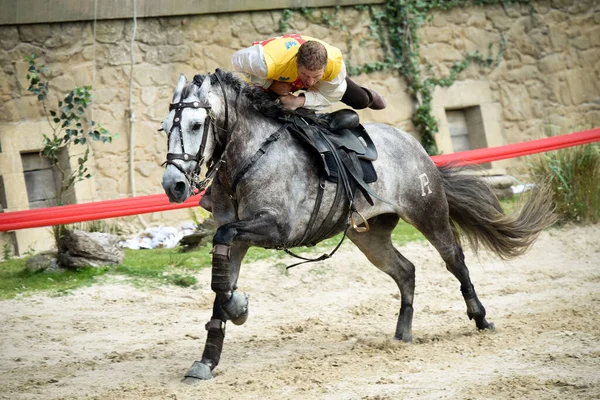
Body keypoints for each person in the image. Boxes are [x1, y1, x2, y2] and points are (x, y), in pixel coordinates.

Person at [231, 33, 386, 112]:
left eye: (316, 77)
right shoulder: (264, 62)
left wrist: (298, 101)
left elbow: (328, 96)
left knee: (360, 100)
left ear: (325, 68)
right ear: (296, 62)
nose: (310, 83)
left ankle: (369, 96)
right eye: (305, 75)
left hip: (323, 79)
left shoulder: (334, 65)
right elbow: (236, 60)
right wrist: (270, 83)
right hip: (278, 74)